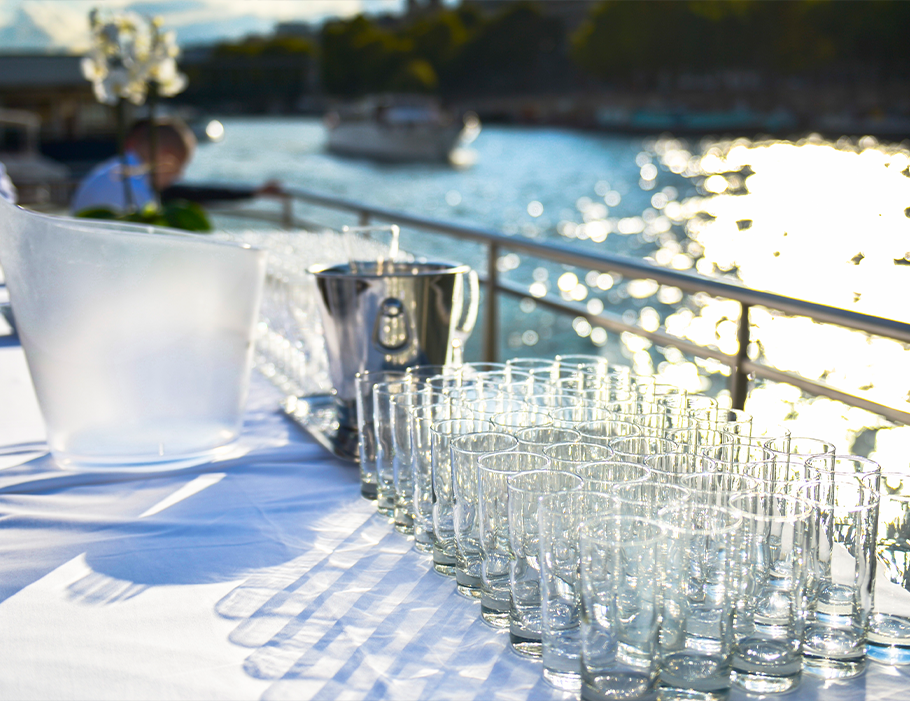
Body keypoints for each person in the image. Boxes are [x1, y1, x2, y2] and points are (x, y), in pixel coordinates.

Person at [70, 117, 280, 214]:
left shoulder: (113, 170)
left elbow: (189, 192)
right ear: (165, 157)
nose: (179, 175)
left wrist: (253, 193)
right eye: (179, 166)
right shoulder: (133, 191)